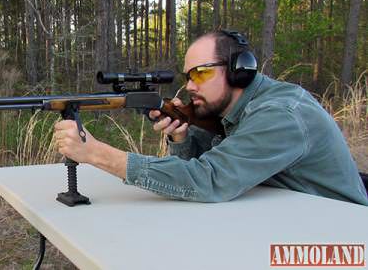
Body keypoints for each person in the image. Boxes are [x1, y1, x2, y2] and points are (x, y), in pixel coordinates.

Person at [54, 29, 368, 206]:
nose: (190, 86)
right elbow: (200, 170)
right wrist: (181, 137)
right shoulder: (231, 111)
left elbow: (209, 181)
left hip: (341, 238)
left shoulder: (281, 116)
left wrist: (97, 154)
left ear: (239, 70)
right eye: (188, 75)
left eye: (201, 74)